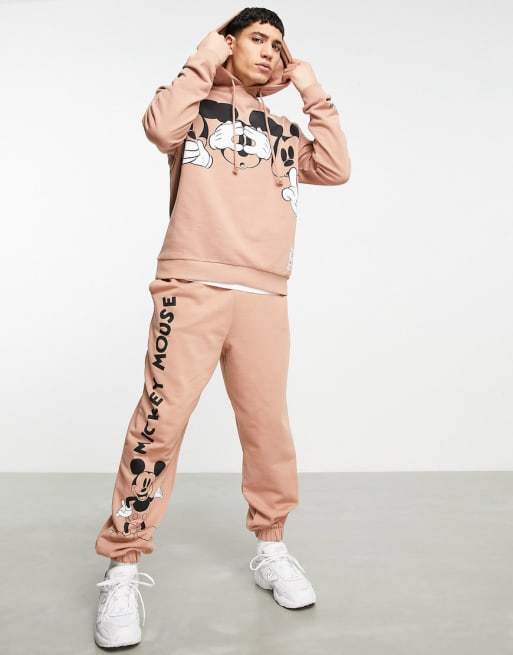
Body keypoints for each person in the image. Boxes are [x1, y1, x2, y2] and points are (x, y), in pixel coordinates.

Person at [94, 7, 350, 648]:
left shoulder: (286, 130)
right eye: (257, 38)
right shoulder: (190, 104)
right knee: (159, 424)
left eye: (279, 45)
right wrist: (204, 55)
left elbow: (336, 167)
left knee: (268, 429)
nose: (269, 52)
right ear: (227, 42)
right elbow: (159, 129)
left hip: (264, 295)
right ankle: (122, 566)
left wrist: (311, 88)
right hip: (192, 287)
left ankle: (272, 548)